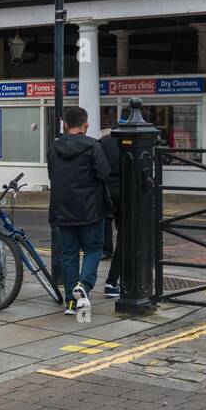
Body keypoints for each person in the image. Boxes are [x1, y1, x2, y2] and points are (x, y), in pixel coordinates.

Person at [47, 106, 112, 315]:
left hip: (62, 209)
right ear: (86, 124)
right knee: (93, 249)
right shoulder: (93, 145)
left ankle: (71, 303)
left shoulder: (54, 146)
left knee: (69, 254)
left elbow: (52, 175)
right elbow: (104, 172)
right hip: (90, 209)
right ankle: (83, 286)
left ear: (66, 124)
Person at [99, 125, 122, 298]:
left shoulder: (103, 142)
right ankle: (112, 281)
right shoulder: (130, 140)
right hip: (126, 195)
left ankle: (106, 250)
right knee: (126, 237)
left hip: (105, 193)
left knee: (104, 225)